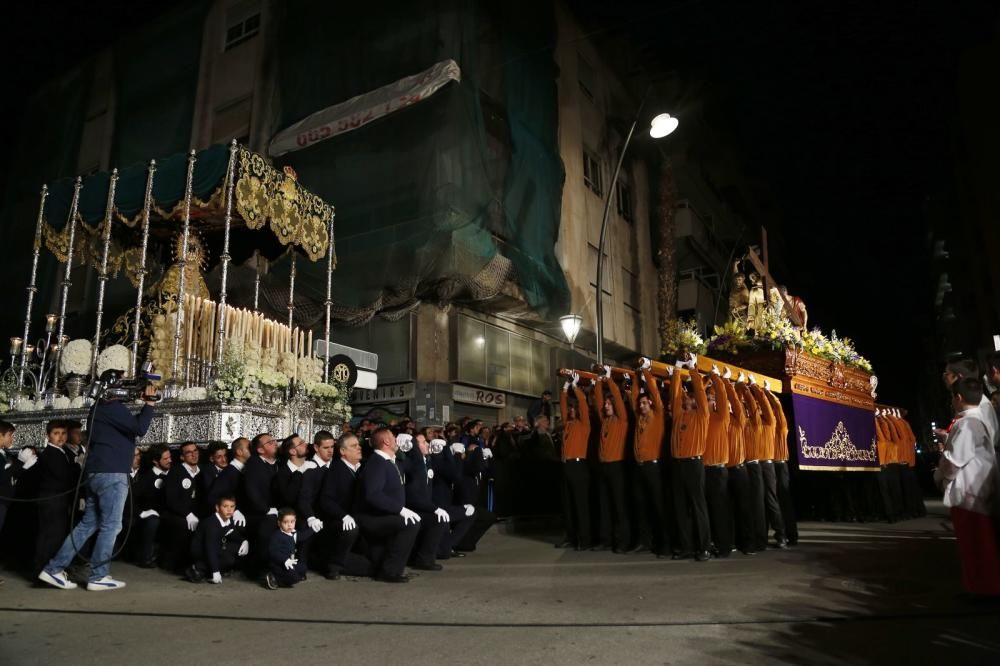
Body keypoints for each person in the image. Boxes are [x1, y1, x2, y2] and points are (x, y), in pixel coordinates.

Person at [39, 383, 157, 591]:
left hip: (96, 472)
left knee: (88, 523)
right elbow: (140, 428)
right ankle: (98, 575)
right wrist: (149, 404)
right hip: (112, 473)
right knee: (111, 525)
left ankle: (53, 569)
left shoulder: (99, 408)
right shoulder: (113, 407)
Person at [934, 377, 1000, 595]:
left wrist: (940, 475)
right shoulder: (974, 420)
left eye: (952, 397)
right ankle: (984, 585)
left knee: (975, 544)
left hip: (968, 492)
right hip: (977, 489)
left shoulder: (967, 424)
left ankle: (983, 587)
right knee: (980, 542)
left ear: (958, 398)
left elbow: (954, 461)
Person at [355, 427, 420, 583]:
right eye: (393, 436)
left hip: (384, 514)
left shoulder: (389, 461)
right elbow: (373, 495)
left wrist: (413, 447)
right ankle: (390, 572)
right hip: (371, 518)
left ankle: (384, 567)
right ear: (386, 441)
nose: (396, 439)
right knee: (410, 524)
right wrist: (400, 510)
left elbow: (415, 468)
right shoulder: (377, 463)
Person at [669, 355, 711, 561]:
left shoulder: (701, 414)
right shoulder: (679, 414)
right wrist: (677, 370)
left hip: (694, 464)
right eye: (685, 394)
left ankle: (703, 548)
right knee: (679, 507)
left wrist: (693, 368)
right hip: (677, 465)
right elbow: (675, 395)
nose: (685, 396)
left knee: (698, 507)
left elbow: (701, 394)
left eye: (690, 395)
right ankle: (686, 547)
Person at [629, 360, 670, 557]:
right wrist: (637, 377)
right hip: (640, 468)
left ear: (651, 403)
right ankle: (644, 541)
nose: (641, 404)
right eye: (640, 403)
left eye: (645, 403)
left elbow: (653, 392)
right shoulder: (640, 418)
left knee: (657, 506)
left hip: (654, 468)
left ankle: (664, 545)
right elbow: (634, 396)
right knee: (640, 504)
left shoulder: (658, 415)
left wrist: (646, 371)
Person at [318, 433, 371, 579]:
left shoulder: (362, 468)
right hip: (337, 521)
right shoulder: (335, 471)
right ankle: (333, 566)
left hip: (359, 518)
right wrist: (343, 516)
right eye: (354, 446)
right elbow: (325, 500)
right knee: (350, 529)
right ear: (342, 451)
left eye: (359, 445)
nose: (359, 448)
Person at [397, 433, 450, 569]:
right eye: (422, 442)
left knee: (440, 518)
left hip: (424, 506)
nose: (427, 444)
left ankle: (425, 556)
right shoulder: (412, 462)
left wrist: (445, 450)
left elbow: (452, 471)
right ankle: (424, 559)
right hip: (411, 507)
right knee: (437, 518)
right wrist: (412, 447)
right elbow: (413, 494)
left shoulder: (427, 461)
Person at [592, 368, 630, 552]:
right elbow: (598, 401)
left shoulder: (621, 419)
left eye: (609, 404)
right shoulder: (605, 421)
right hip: (604, 467)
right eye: (605, 404)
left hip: (617, 467)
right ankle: (605, 540)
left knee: (619, 506)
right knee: (604, 505)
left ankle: (622, 542)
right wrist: (599, 381)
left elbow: (616, 396)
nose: (605, 406)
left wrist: (609, 379)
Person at [34, 420, 77, 576]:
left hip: (58, 500)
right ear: (48, 435)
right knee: (49, 536)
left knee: (57, 535)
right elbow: (63, 476)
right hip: (51, 500)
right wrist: (77, 466)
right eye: (56, 434)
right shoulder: (50, 454)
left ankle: (53, 569)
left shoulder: (63, 452)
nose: (60, 437)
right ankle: (42, 571)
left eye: (63, 433)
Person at [557, 372, 591, 551]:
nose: (570, 410)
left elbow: (584, 405)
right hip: (566, 466)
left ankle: (584, 540)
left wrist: (575, 387)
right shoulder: (568, 425)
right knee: (568, 505)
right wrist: (564, 389)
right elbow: (562, 408)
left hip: (578, 466)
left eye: (573, 408)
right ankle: (571, 537)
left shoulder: (584, 423)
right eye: (570, 408)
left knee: (580, 505)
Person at [1, 421, 37, 584]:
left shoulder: (4, 454)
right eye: (9, 435)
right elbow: (2, 478)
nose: (12, 439)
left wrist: (21, 468)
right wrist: (20, 464)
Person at [703, 367, 731, 557]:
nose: (707, 401)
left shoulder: (721, 417)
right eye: (705, 399)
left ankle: (724, 546)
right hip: (704, 470)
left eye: (710, 399)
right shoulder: (702, 419)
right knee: (709, 509)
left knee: (720, 510)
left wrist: (716, 377)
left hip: (719, 470)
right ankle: (712, 542)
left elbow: (722, 395)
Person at [161, 441, 203, 571]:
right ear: (182, 457)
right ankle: (179, 566)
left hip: (196, 513)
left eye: (195, 451)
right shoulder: (176, 472)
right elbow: (171, 500)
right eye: (189, 453)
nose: (193, 454)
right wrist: (187, 514)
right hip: (176, 513)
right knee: (183, 525)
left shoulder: (203, 471)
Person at [723, 375, 754, 555]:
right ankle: (731, 541)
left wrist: (730, 385)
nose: (727, 409)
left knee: (744, 508)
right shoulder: (720, 422)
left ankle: (747, 543)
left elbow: (735, 403)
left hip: (739, 470)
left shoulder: (739, 421)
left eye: (729, 407)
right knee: (728, 509)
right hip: (725, 471)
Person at [187, 496, 248, 584]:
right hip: (201, 552)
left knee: (236, 550)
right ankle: (198, 568)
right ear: (217, 508)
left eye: (232, 506)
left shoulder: (228, 519)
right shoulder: (212, 524)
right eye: (225, 506)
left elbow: (234, 534)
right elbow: (210, 548)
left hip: (216, 546)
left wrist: (244, 541)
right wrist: (215, 572)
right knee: (225, 557)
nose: (229, 510)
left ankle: (207, 570)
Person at [765, 386, 797, 545]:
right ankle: (784, 535)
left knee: (779, 500)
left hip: (779, 465)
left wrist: (768, 394)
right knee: (774, 500)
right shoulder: (769, 426)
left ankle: (786, 534)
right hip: (773, 464)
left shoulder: (780, 425)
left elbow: (777, 406)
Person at [130, 444, 171, 568]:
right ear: (155, 461)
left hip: (169, 512)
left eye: (170, 457)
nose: (170, 460)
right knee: (152, 522)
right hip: (150, 514)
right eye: (165, 459)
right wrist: (142, 513)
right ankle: (146, 558)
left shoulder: (175, 473)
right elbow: (132, 499)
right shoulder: (145, 478)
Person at [264, 508, 312, 589]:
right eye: (285, 522)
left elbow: (303, 536)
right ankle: (274, 577)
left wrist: (314, 529)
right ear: (279, 523)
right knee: (295, 578)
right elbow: (272, 552)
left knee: (303, 568)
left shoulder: (292, 533)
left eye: (292, 522)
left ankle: (288, 576)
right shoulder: (277, 536)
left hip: (290, 562)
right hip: (279, 563)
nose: (289, 525)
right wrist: (284, 560)